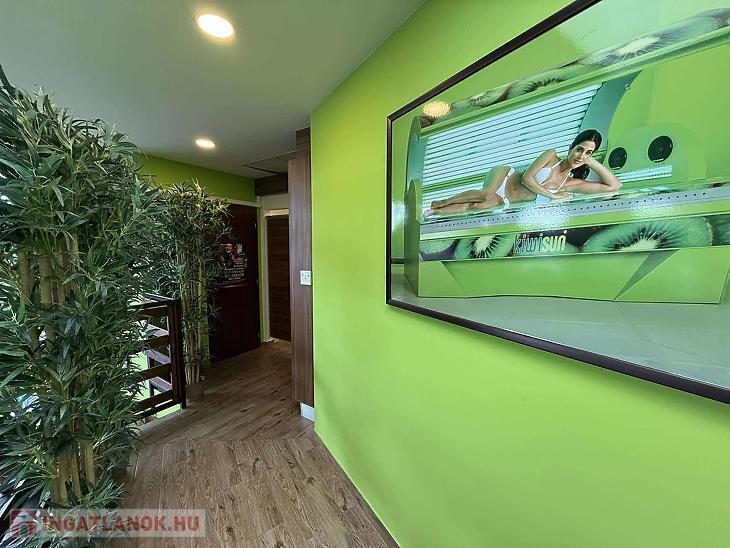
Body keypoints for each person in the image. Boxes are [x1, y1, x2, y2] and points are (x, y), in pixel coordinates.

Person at [424, 129, 621, 217]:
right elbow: (527, 179)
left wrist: (590, 160)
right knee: (484, 195)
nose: (581, 155)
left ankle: (434, 212)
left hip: (506, 199)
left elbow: (614, 186)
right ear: (571, 147)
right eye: (579, 149)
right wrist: (552, 196)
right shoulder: (551, 155)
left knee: (474, 207)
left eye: (588, 152)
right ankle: (443, 201)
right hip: (505, 176)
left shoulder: (569, 184)